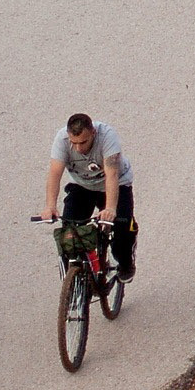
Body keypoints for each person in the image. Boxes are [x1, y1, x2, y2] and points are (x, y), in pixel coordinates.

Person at [37, 111, 137, 281]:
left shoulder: (107, 137)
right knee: (70, 231)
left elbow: (111, 175)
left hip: (115, 184)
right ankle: (80, 277)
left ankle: (126, 261)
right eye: (73, 143)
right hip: (82, 185)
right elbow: (54, 174)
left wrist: (110, 208)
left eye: (83, 142)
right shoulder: (61, 140)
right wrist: (50, 206)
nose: (78, 148)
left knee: (121, 227)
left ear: (93, 133)